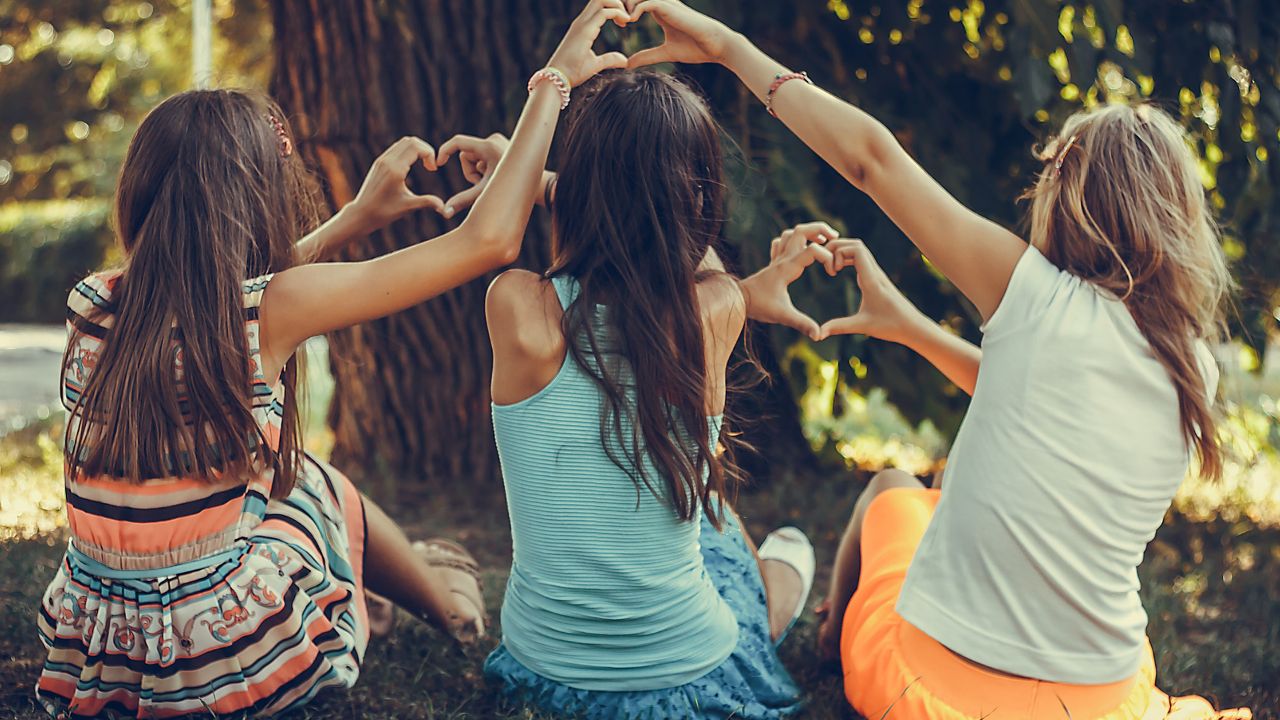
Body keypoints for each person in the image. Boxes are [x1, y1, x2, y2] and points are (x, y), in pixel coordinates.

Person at [620, 1, 1253, 719]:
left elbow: (872, 160)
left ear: (1067, 197)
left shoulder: (1035, 295)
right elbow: (1034, 399)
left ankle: (833, 645)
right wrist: (912, 327)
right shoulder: (1190, 365)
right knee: (940, 501)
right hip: (1101, 697)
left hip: (934, 694)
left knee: (893, 485)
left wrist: (732, 50)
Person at [35, 3, 626, 716]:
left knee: (296, 486)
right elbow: (488, 243)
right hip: (218, 661)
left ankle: (387, 589)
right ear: (255, 197)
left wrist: (351, 224)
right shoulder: (267, 311)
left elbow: (226, 303)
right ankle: (454, 613)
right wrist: (553, 83)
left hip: (106, 651)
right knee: (314, 487)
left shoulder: (94, 300)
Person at [440, 69, 840, 718]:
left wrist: (535, 178)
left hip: (544, 676)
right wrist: (574, 186)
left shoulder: (519, 309)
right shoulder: (714, 311)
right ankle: (779, 581)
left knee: (714, 524)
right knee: (754, 535)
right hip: (687, 677)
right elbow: (697, 256)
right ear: (699, 200)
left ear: (577, 189)